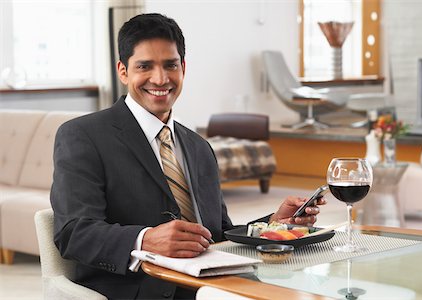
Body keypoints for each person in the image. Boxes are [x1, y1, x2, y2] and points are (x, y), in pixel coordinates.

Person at [50, 13, 325, 300]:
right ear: (123, 71)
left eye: (170, 65)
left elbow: (219, 235)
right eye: (145, 66)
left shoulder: (198, 147)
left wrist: (274, 225)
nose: (160, 78)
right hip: (138, 291)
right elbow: (73, 233)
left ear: (183, 68)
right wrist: (145, 239)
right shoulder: (83, 136)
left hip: (214, 287)